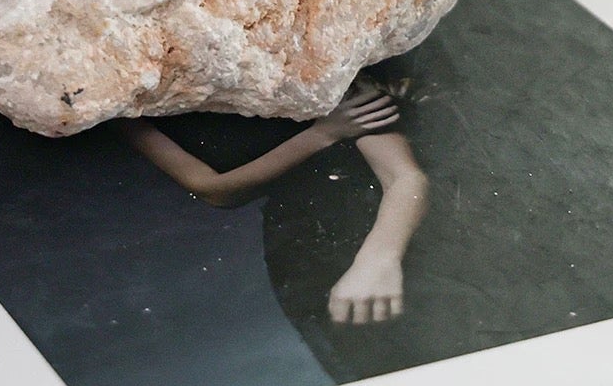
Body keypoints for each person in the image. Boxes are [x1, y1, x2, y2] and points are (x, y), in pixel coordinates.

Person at [122, 81, 429, 326]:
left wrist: (378, 259)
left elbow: (405, 178)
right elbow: (212, 190)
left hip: (382, 226)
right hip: (297, 246)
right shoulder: (128, 92)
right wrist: (322, 134)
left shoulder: (314, 65)